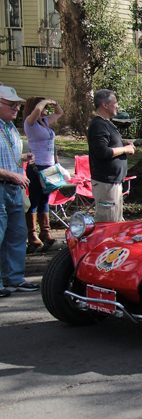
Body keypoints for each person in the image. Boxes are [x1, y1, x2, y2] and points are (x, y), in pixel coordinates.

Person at [0, 84, 40, 296]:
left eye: (17, 105)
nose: (16, 108)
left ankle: (13, 279)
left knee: (17, 235)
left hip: (14, 190)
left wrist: (23, 159)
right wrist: (11, 174)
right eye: (11, 104)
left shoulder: (10, 127)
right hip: (3, 186)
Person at [87, 89, 136, 223]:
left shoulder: (106, 123)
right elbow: (102, 152)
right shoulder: (98, 125)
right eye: (115, 102)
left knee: (115, 221)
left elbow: (108, 146)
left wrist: (122, 144)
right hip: (106, 183)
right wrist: (125, 149)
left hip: (113, 182)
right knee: (107, 223)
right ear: (105, 105)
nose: (117, 106)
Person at [22, 96, 63, 252]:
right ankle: (31, 234)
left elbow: (59, 113)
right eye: (45, 108)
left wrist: (54, 102)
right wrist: (42, 103)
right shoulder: (30, 123)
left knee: (45, 198)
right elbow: (37, 111)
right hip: (36, 167)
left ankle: (45, 231)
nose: (46, 110)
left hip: (49, 166)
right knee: (34, 199)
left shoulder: (44, 122)